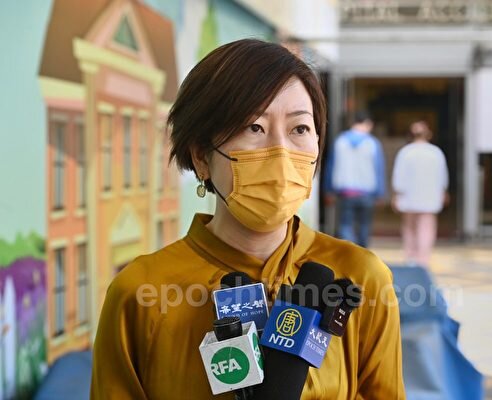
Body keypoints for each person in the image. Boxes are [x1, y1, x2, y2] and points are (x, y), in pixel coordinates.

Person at [91, 39, 405, 399]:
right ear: (201, 157)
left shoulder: (361, 275)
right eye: (253, 128)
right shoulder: (139, 291)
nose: (281, 153)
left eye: (299, 129)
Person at [391, 120, 449, 267]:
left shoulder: (406, 152)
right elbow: (442, 176)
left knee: (409, 227)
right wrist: (442, 191)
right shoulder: (436, 152)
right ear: (429, 134)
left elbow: (399, 176)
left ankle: (410, 257)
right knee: (426, 227)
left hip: (409, 196)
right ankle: (424, 258)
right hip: (429, 196)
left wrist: (397, 194)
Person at [324, 111, 386, 248]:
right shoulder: (372, 143)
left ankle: (349, 255)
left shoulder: (340, 141)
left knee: (345, 225)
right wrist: (380, 193)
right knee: (364, 226)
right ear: (368, 124)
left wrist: (328, 190)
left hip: (345, 192)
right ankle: (363, 256)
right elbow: (378, 170)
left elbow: (331, 166)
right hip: (367, 192)